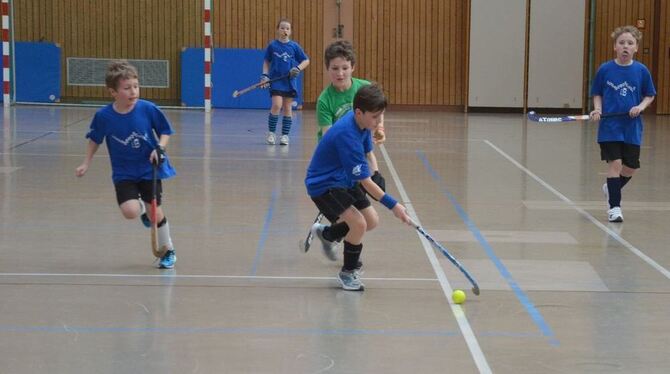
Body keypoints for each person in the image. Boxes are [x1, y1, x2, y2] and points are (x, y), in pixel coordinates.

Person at [305, 84, 411, 291]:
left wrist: (376, 172)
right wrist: (394, 206)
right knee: (359, 224)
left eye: (381, 115)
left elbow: (368, 156)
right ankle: (348, 273)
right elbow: (365, 182)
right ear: (359, 112)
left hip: (343, 179)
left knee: (371, 221)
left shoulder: (363, 126)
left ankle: (328, 234)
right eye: (375, 116)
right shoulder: (348, 136)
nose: (379, 121)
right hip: (324, 184)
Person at [75, 60, 178, 269]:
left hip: (150, 169)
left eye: (136, 86)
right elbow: (95, 139)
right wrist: (86, 162)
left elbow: (166, 131)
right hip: (123, 172)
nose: (133, 92)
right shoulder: (104, 116)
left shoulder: (148, 109)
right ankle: (142, 210)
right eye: (127, 88)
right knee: (130, 211)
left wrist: (160, 148)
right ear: (113, 92)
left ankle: (168, 250)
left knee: (155, 213)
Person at [303, 40, 387, 262]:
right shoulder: (325, 100)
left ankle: (328, 234)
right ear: (327, 69)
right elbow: (330, 134)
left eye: (344, 68)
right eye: (334, 68)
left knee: (371, 221)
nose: (340, 73)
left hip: (356, 152)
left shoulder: (363, 88)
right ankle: (349, 265)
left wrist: (379, 128)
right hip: (337, 157)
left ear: (353, 67)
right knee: (357, 220)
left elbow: (377, 108)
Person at [589, 25, 656, 223]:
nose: (625, 46)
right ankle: (614, 208)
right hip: (610, 127)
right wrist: (598, 110)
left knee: (630, 168)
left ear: (636, 48)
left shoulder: (641, 71)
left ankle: (611, 187)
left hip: (632, 127)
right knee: (615, 164)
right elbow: (597, 93)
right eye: (621, 43)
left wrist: (640, 107)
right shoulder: (605, 69)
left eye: (630, 43)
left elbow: (649, 95)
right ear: (615, 47)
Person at [261, 18, 310, 146]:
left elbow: (306, 60)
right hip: (276, 80)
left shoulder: (294, 46)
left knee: (287, 107)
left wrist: (297, 68)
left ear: (290, 31)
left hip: (289, 81)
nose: (284, 30)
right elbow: (266, 61)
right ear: (278, 30)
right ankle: (271, 133)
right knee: (277, 105)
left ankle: (285, 136)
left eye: (287, 28)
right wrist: (265, 76)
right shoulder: (272, 45)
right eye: (282, 28)